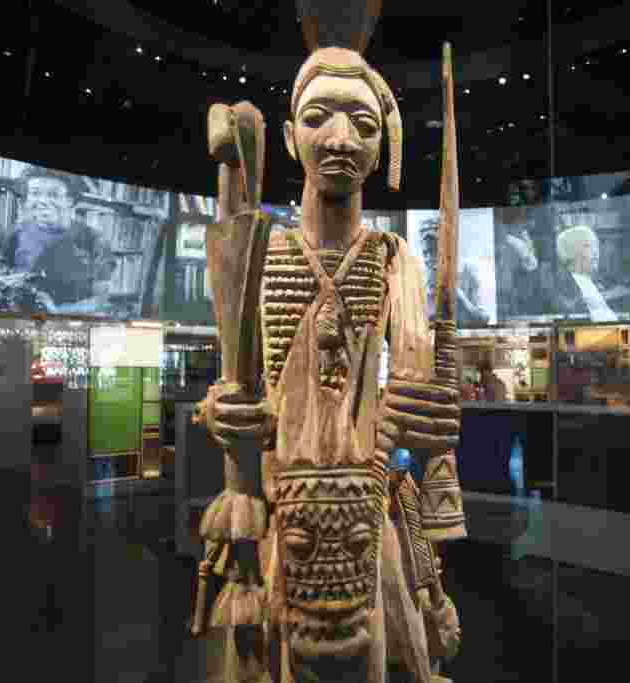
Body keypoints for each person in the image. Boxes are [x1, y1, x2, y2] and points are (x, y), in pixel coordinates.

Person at [200, 46, 463, 682]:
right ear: (291, 138)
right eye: (319, 118)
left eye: (364, 125)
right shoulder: (258, 250)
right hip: (276, 508)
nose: (341, 139)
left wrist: (428, 416)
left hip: (367, 509)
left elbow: (418, 384)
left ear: (381, 148)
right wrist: (221, 411)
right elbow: (234, 379)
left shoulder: (394, 258)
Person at [0, 167, 116, 311]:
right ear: (26, 200)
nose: (42, 201)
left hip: (68, 321)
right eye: (35, 193)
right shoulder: (15, 232)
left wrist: (58, 311)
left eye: (53, 195)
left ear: (70, 200)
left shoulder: (95, 240)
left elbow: (101, 300)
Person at [552, 224, 618, 322]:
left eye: (596, 246)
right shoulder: (563, 287)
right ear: (571, 251)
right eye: (587, 246)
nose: (595, 252)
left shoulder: (597, 282)